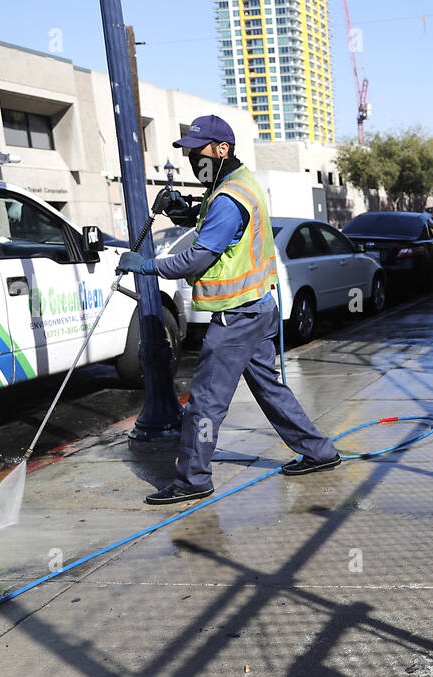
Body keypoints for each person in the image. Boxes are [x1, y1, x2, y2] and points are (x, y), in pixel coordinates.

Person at [116, 114, 339, 505]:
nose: (191, 160)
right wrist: (181, 210)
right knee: (270, 389)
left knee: (205, 400)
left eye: (196, 152)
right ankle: (320, 452)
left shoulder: (227, 196)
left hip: (236, 316)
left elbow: (199, 258)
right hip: (256, 308)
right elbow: (213, 221)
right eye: (187, 154)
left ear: (221, 150)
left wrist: (147, 266)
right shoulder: (236, 183)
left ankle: (192, 479)